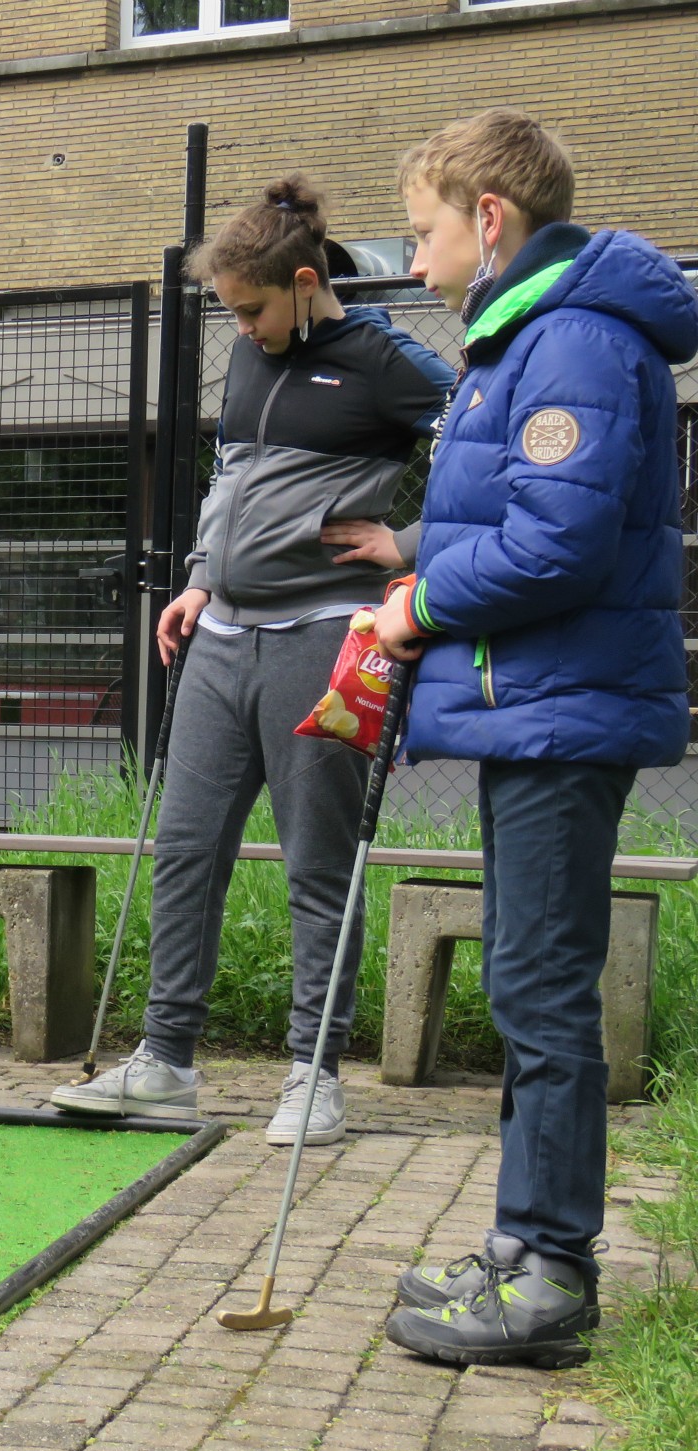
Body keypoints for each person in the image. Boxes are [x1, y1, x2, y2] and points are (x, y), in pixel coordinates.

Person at [376, 111, 697, 1367]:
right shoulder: (521, 340)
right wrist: (417, 565)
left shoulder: (565, 340)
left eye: (422, 232)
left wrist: (418, 600)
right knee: (524, 977)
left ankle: (551, 1272)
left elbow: (555, 544)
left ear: (488, 220)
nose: (413, 262)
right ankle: (519, 1243)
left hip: (560, 712)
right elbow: (514, 521)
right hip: (537, 706)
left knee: (541, 988)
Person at [50, 177, 452, 1144]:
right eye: (231, 314)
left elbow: (495, 457)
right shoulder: (249, 355)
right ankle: (164, 1064)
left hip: (326, 637)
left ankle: (314, 1075)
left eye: (254, 310)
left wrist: (412, 543)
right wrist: (197, 577)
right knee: (185, 853)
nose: (244, 330)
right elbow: (232, 483)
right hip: (221, 636)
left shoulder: (385, 361)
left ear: (307, 283)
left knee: (319, 866)